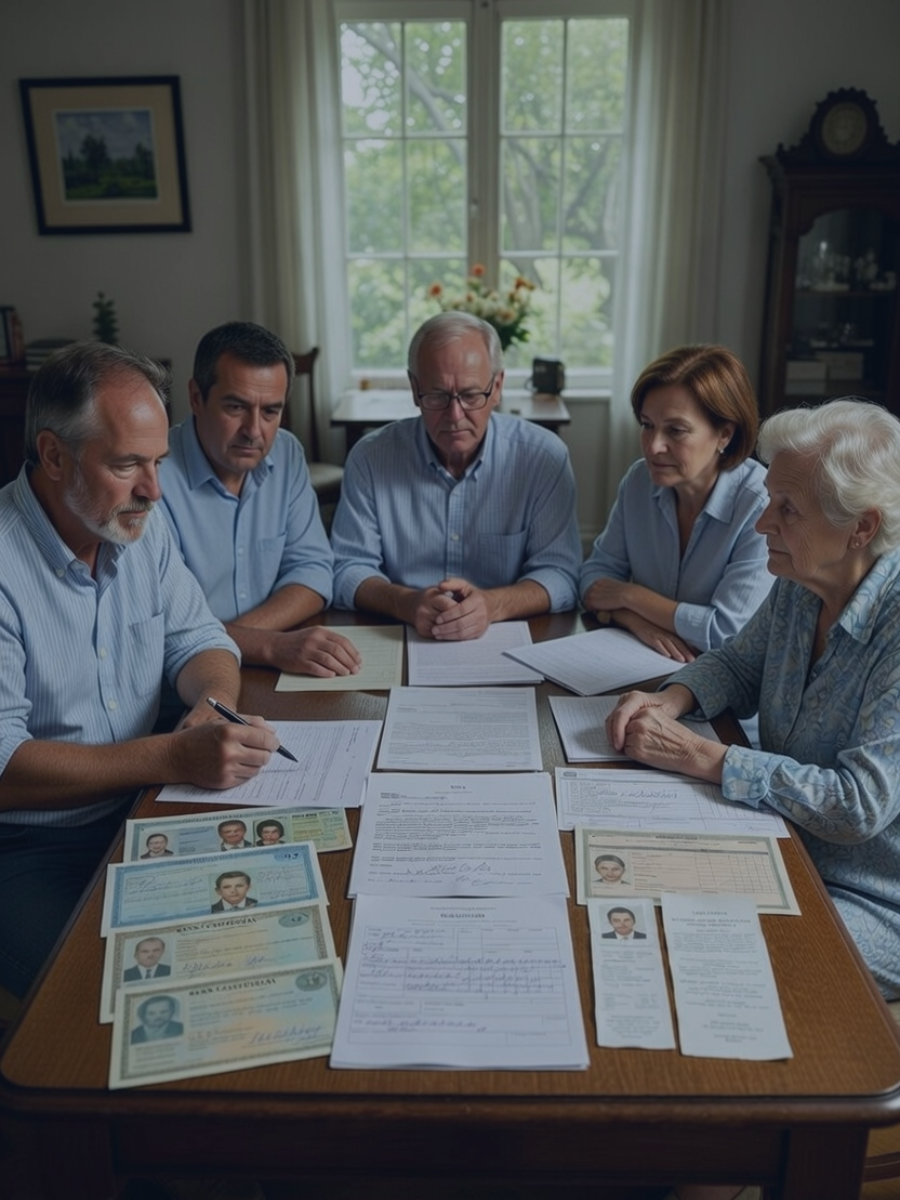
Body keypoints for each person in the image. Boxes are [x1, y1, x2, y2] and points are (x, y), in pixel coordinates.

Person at [0, 342, 281, 998]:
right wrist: (172, 758)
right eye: (128, 464)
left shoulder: (135, 525)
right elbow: (5, 767)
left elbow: (202, 640)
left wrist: (211, 704)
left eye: (158, 462)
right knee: (133, 985)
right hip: (29, 847)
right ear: (52, 453)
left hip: (147, 806)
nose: (154, 491)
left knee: (259, 933)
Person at [608, 398, 900, 1008]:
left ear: (862, 528)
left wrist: (704, 757)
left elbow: (858, 805)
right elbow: (739, 663)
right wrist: (672, 699)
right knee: (630, 907)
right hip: (776, 836)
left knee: (729, 969)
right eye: (769, 499)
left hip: (871, 894)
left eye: (787, 509)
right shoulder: (804, 577)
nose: (764, 523)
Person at [331, 312, 581, 640]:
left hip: (506, 637)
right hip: (401, 634)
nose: (455, 415)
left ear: (498, 387)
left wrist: (493, 605)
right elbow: (347, 569)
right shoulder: (370, 458)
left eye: (471, 395)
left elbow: (561, 574)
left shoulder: (543, 458)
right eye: (437, 396)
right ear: (413, 388)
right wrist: (406, 603)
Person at [159, 321, 361, 678]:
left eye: (270, 411)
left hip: (267, 669)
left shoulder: (286, 454)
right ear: (195, 397)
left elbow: (312, 572)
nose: (254, 431)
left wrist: (241, 640)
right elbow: (166, 628)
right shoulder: (153, 477)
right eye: (236, 407)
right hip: (183, 684)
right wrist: (269, 645)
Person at [581, 345, 772, 664]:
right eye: (647, 425)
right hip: (642, 662)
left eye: (676, 430)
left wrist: (631, 596)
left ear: (724, 434)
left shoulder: (760, 503)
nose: (653, 446)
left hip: (725, 692)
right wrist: (636, 622)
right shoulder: (639, 481)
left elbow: (726, 632)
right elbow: (592, 578)